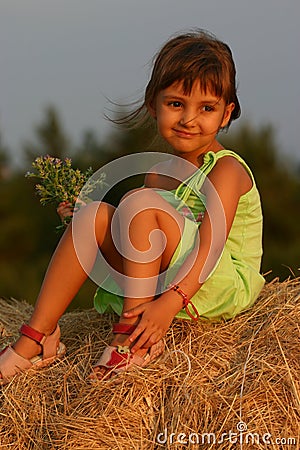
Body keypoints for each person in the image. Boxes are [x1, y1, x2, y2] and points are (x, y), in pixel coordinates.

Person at [0, 29, 265, 384]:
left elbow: (211, 245)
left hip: (216, 279)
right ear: (152, 104)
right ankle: (37, 338)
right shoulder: (158, 175)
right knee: (96, 214)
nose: (188, 119)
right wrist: (82, 230)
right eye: (176, 104)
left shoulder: (226, 169)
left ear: (226, 114)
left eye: (206, 108)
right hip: (171, 274)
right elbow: (136, 245)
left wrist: (171, 303)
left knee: (137, 203)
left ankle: (131, 337)